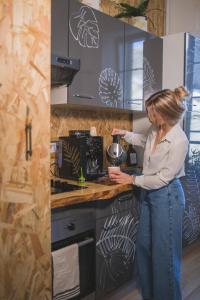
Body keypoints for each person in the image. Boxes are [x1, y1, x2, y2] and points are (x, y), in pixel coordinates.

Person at [109, 86, 189, 300]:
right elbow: (144, 141)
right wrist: (124, 134)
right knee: (145, 249)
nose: (148, 115)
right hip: (149, 193)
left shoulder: (179, 141)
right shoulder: (156, 130)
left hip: (168, 196)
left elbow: (163, 178)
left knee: (164, 255)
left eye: (151, 112)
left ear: (165, 113)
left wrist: (132, 179)